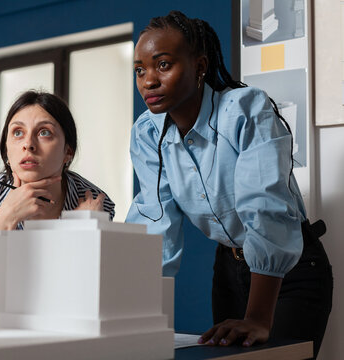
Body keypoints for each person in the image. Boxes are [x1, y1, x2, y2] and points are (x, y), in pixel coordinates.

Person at [125, 10, 332, 358]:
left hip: (291, 270)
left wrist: (258, 316)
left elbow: (265, 210)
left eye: (163, 65)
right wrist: (131, 316)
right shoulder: (147, 133)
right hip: (228, 270)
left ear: (200, 66)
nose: (148, 80)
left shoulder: (245, 111)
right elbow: (155, 225)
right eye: (140, 70)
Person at [0, 90, 115, 234]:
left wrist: (86, 229)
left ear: (68, 151)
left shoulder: (93, 202)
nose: (28, 144)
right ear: (6, 150)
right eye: (18, 132)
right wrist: (3, 222)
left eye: (44, 132)